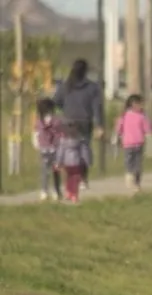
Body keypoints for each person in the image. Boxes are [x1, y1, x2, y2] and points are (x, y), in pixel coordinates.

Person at [53, 58, 104, 188]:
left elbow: (56, 101)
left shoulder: (65, 86)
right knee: (84, 150)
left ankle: (71, 178)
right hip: (85, 122)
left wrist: (65, 109)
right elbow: (96, 107)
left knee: (69, 150)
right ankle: (83, 178)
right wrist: (99, 125)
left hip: (68, 122)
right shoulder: (92, 87)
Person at [114, 94, 152, 191]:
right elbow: (119, 129)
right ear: (133, 104)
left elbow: (147, 130)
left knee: (138, 165)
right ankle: (129, 180)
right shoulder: (124, 116)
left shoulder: (142, 116)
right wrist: (116, 138)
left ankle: (137, 183)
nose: (141, 106)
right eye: (139, 104)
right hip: (128, 144)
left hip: (139, 144)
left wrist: (150, 143)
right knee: (129, 163)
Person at [31, 98, 62, 201]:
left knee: (45, 171)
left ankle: (44, 191)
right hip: (55, 149)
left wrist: (36, 144)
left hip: (44, 149)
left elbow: (35, 134)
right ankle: (56, 191)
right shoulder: (57, 120)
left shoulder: (39, 121)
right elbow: (61, 134)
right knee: (55, 171)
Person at [55, 122, 91, 203]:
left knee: (68, 178)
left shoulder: (63, 140)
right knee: (75, 179)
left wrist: (58, 162)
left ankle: (69, 192)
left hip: (67, 162)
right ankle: (74, 194)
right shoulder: (80, 140)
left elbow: (60, 152)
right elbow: (84, 151)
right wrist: (87, 161)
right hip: (76, 162)